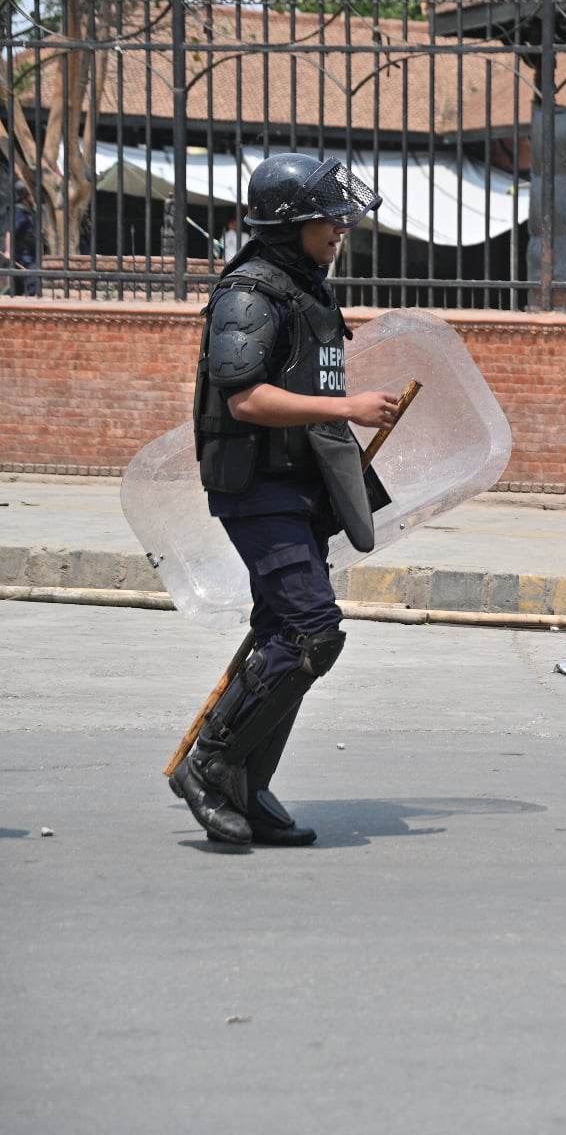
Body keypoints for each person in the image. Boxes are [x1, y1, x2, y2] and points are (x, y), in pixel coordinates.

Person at [169, 153, 398, 847]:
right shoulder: (250, 293)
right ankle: (210, 765)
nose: (340, 231)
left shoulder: (307, 288)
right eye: (328, 219)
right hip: (257, 488)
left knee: (283, 637)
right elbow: (247, 398)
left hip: (299, 487)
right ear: (290, 224)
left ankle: (244, 782)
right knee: (309, 631)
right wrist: (350, 404)